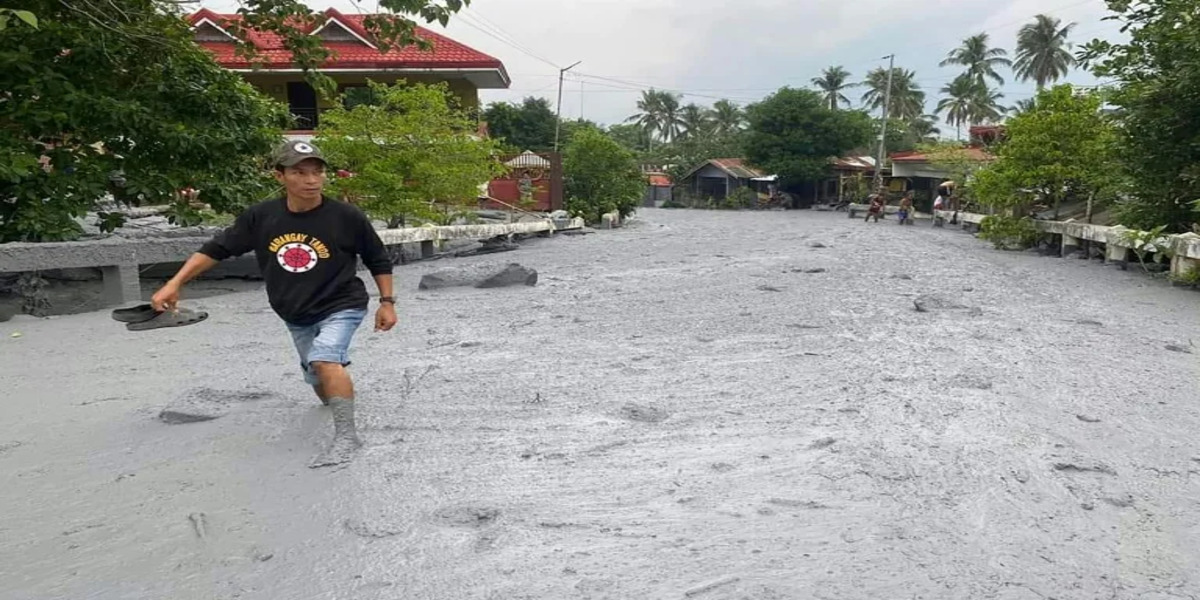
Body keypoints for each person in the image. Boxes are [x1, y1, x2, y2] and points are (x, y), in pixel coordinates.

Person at [150, 140, 397, 468]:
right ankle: (335, 384)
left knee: (324, 360)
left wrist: (387, 302)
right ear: (279, 176)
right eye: (299, 172)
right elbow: (216, 249)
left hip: (343, 303)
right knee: (319, 380)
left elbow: (377, 258)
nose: (311, 180)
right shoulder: (261, 217)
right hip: (294, 311)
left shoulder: (346, 216)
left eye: (317, 172)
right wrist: (174, 283)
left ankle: (347, 438)